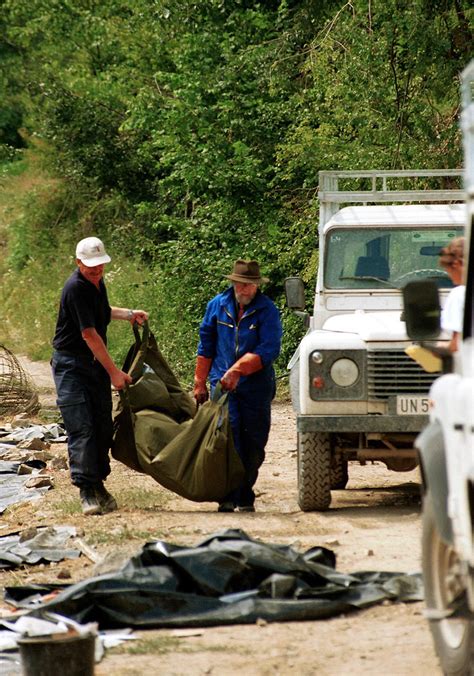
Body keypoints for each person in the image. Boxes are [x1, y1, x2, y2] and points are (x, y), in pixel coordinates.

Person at [51, 236, 148, 515]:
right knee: (81, 426)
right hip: (71, 365)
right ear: (78, 262)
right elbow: (89, 333)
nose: (96, 271)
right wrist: (115, 373)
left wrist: (129, 314)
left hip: (93, 366)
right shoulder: (75, 289)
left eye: (100, 266)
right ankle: (86, 491)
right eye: (90, 267)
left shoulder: (97, 282)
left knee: (103, 425)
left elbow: (102, 314)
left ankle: (98, 484)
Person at [193, 259, 282, 512]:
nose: (245, 290)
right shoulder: (217, 306)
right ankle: (228, 494)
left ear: (257, 286)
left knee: (254, 442)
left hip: (256, 386)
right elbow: (205, 346)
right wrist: (200, 382)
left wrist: (238, 370)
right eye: (241, 285)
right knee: (227, 439)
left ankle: (245, 492)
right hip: (222, 386)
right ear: (233, 283)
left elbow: (268, 349)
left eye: (250, 285)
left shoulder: (267, 310)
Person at [439, 236, 465, 352]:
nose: (449, 276)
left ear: (456, 264)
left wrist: (437, 351)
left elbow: (457, 343)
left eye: (447, 270)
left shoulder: (459, 294)